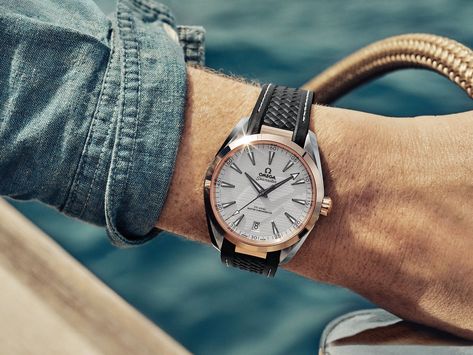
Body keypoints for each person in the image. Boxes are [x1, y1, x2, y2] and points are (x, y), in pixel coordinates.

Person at [1, 0, 473, 341]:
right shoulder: (248, 193)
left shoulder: (242, 193)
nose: (265, 196)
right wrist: (371, 192)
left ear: (319, 207)